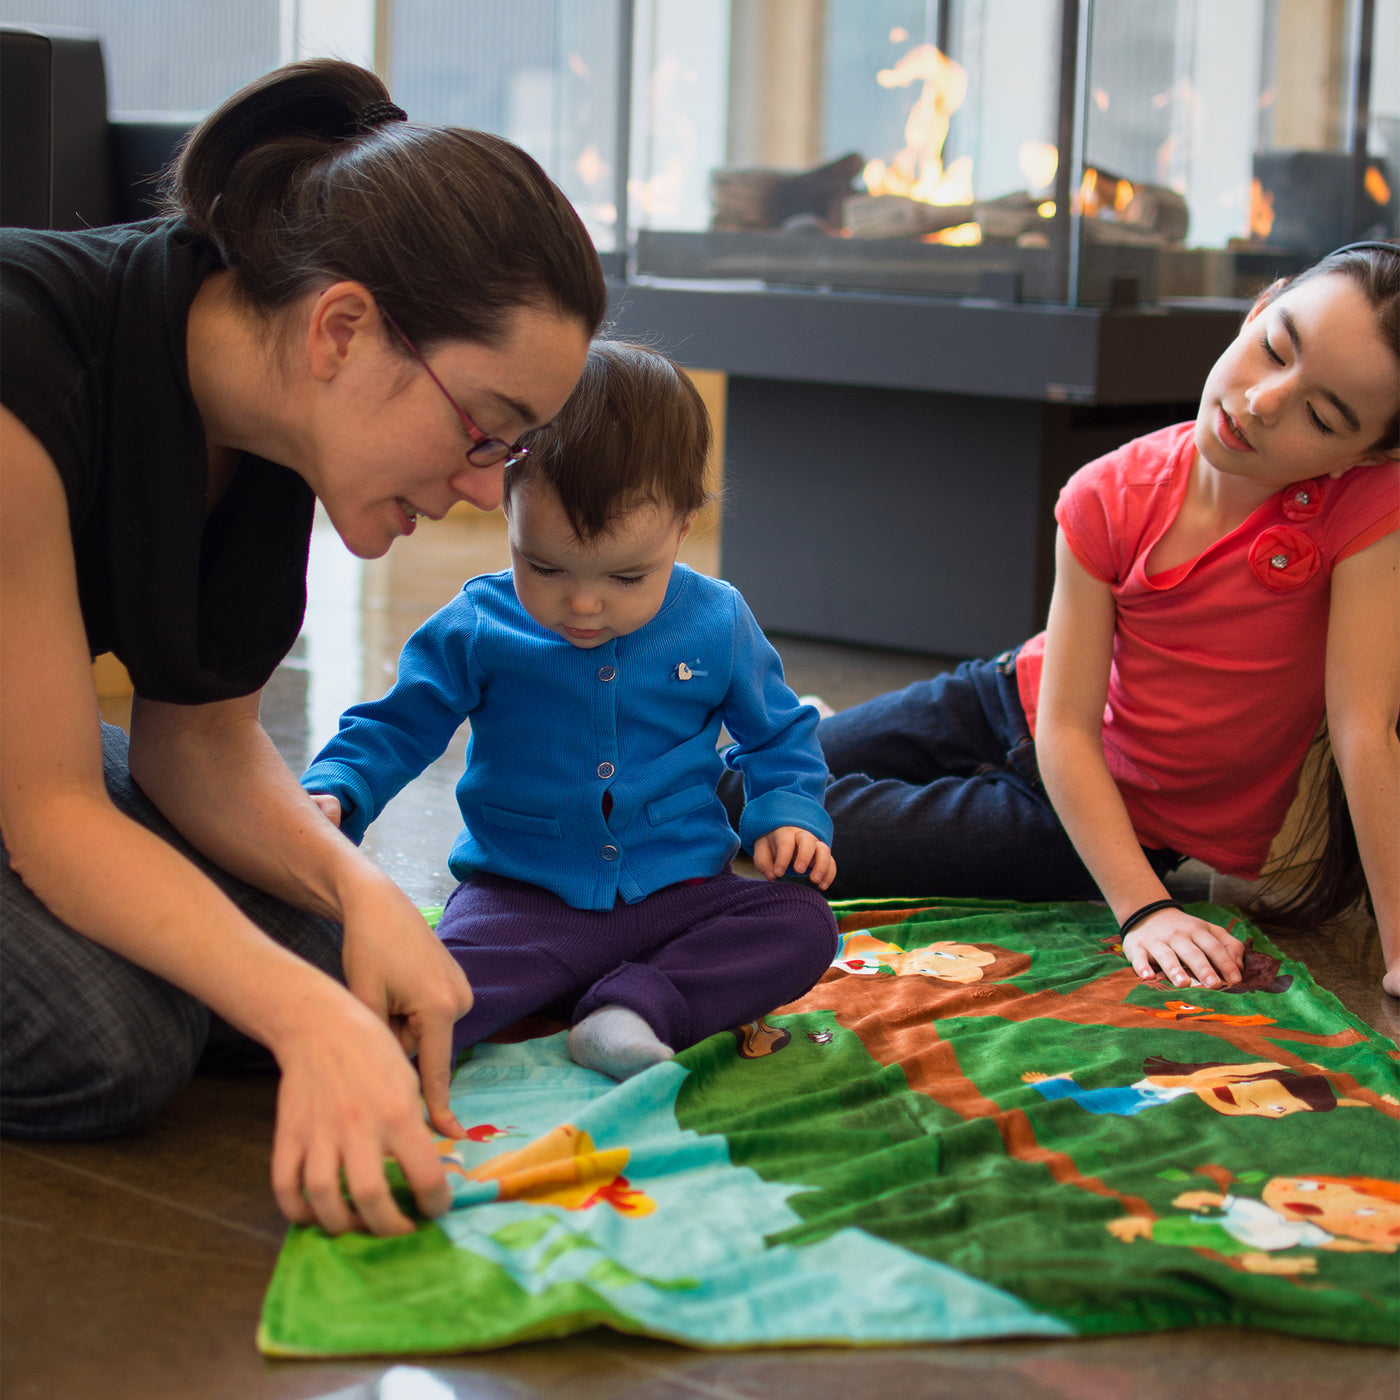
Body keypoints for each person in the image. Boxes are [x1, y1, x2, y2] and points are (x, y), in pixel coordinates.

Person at [0, 58, 608, 1238]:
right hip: (31, 776)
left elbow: (203, 748)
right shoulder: (20, 377)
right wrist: (298, 1018)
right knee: (114, 1041)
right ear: (342, 326)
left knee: (347, 962)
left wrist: (357, 887)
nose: (487, 489)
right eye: (484, 428)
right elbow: (54, 811)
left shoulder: (267, 414)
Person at [806, 241, 1399, 998]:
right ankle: (789, 742)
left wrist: (1144, 904)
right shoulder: (1107, 492)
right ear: (1255, 310)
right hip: (1010, 700)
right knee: (777, 762)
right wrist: (1145, 909)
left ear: (1366, 455)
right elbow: (1065, 727)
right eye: (1273, 349)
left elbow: (1364, 728)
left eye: (1320, 416)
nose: (1263, 402)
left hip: (1107, 825)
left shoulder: (1367, 513)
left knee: (775, 816)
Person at [301, 340, 840, 1080]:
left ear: (683, 526)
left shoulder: (716, 620)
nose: (583, 605)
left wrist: (787, 813)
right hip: (521, 900)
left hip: (679, 894)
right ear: (508, 511)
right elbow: (400, 722)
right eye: (545, 566)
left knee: (801, 925)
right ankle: (397, 1043)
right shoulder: (480, 624)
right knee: (431, 997)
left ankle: (634, 1010)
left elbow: (779, 734)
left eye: (626, 575)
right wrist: (340, 787)